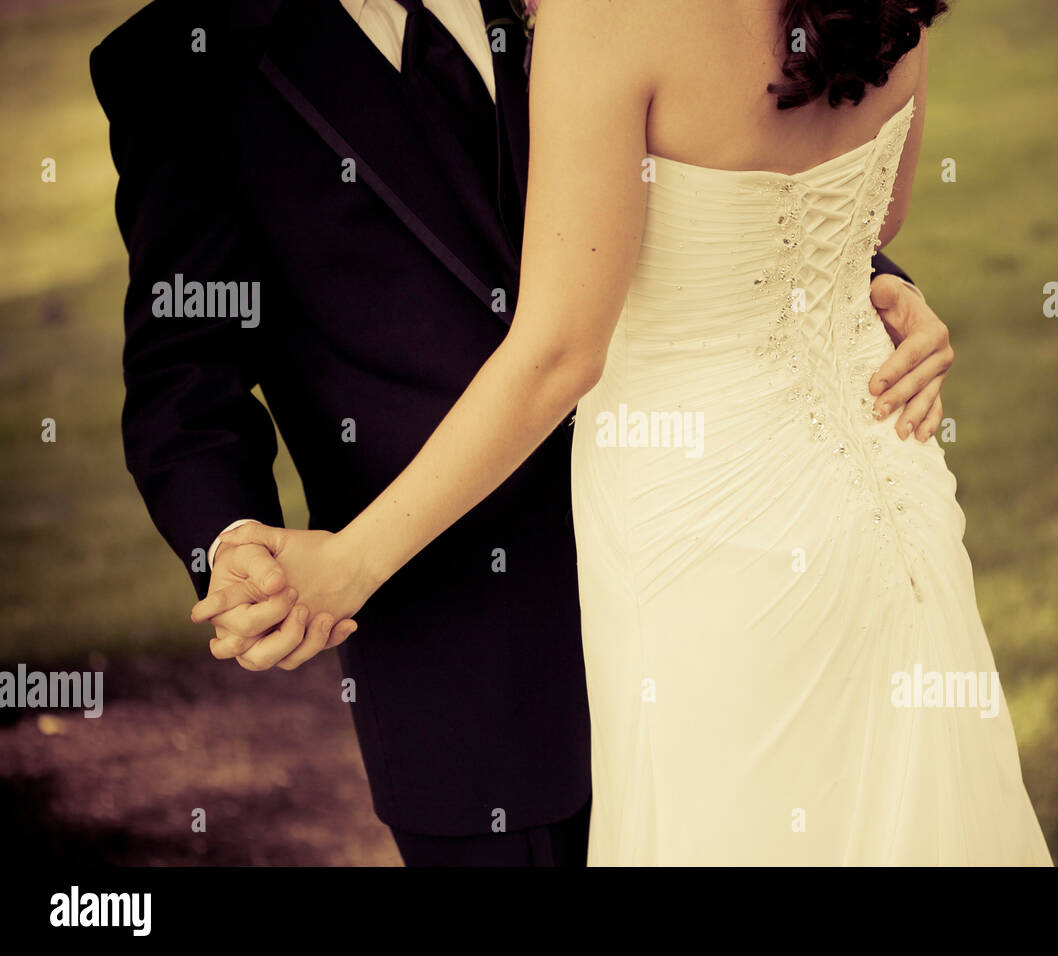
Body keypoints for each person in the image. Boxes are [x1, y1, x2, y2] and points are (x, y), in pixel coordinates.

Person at [93, 0, 957, 865]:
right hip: (470, 652)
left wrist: (868, 290)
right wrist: (236, 540)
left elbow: (743, 165)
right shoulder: (184, 62)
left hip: (725, 570)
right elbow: (183, 375)